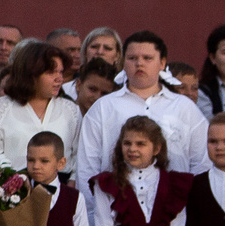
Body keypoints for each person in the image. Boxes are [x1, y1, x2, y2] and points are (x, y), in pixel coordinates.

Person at [78, 31, 207, 184]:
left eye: (147, 58)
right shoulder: (103, 107)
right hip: (115, 202)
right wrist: (93, 207)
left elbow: (201, 163)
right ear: (123, 62)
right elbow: (87, 166)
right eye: (132, 58)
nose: (139, 63)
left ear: (162, 63)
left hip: (172, 203)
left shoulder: (185, 107)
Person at [0, 40, 80, 171]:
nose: (59, 78)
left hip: (60, 187)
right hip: (13, 187)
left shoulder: (70, 110)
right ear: (31, 74)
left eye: (60, 72)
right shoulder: (0, 109)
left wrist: (71, 181)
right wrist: (16, 182)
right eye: (51, 72)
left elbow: (78, 155)